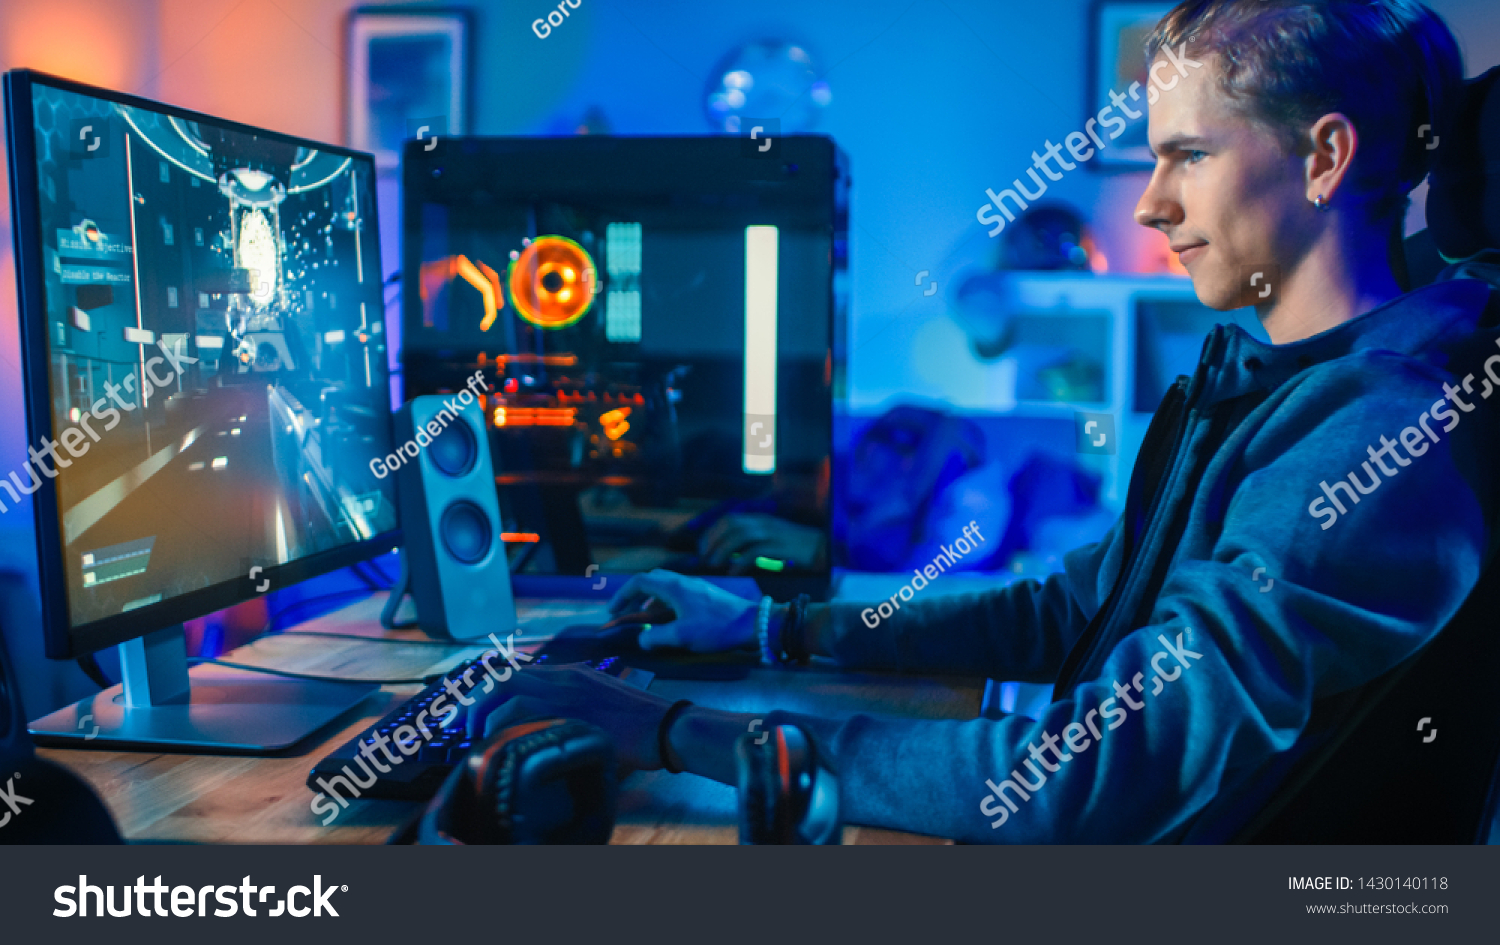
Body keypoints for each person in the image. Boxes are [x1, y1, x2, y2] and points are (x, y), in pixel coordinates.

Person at [469, 0, 1498, 842]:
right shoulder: (1263, 379)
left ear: (1325, 159)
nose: (1147, 205)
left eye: (1187, 156)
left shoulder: (1379, 440)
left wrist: (672, 731)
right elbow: (1070, 612)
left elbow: (1094, 772)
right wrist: (773, 628)